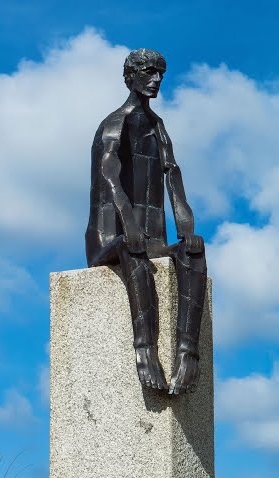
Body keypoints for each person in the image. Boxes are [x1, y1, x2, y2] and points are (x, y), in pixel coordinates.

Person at [85, 48, 207, 396]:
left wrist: (186, 230)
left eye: (160, 75)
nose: (156, 81)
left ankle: (188, 351)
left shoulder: (157, 126)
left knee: (193, 253)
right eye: (149, 73)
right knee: (130, 247)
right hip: (110, 236)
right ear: (131, 77)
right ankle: (146, 350)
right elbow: (109, 173)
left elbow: (172, 174)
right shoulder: (114, 123)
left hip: (149, 238)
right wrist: (128, 223)